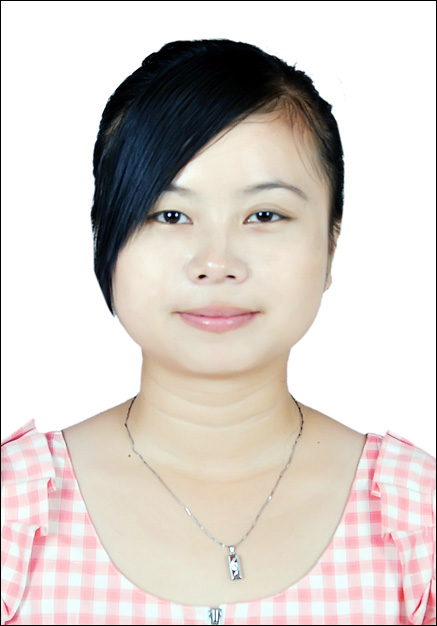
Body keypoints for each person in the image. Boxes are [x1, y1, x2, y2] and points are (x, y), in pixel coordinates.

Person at [1, 38, 435, 626]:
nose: (216, 262)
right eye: (170, 214)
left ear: (331, 243)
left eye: (265, 215)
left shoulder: (418, 516)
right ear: (105, 238)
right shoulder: (13, 507)